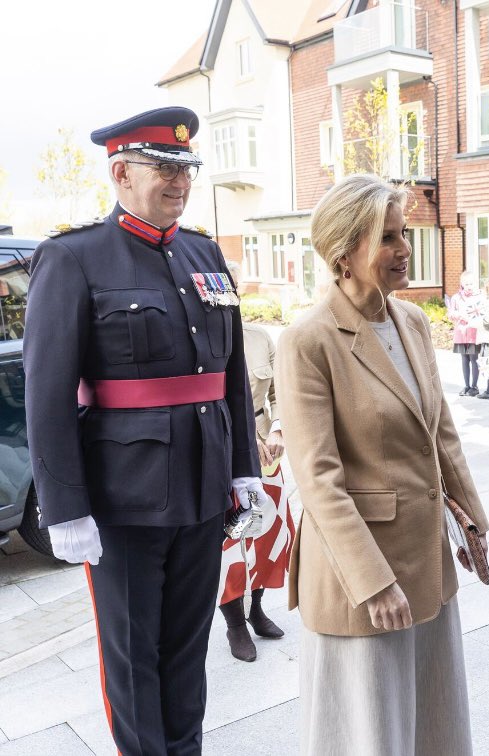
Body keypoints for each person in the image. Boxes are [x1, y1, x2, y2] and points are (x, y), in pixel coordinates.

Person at [24, 107, 263, 755]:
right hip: (123, 501)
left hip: (203, 490)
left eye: (186, 169)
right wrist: (66, 508)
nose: (179, 181)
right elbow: (46, 397)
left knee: (188, 648)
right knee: (133, 657)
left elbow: (229, 373)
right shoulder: (73, 257)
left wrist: (245, 467)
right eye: (163, 168)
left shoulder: (203, 251)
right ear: (121, 173)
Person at [275, 174, 489, 756]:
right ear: (344, 254)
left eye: (405, 234)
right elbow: (318, 479)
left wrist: (472, 521)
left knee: (431, 721)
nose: (405, 250)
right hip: (360, 576)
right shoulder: (307, 341)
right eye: (389, 239)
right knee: (370, 732)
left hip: (426, 559)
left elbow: (440, 433)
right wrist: (373, 583)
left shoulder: (413, 322)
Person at [217, 261, 295, 662]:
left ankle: (257, 609)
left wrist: (278, 430)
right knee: (230, 543)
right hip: (225, 459)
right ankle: (234, 626)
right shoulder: (203, 341)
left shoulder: (260, 338)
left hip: (267, 456)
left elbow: (281, 392)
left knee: (268, 536)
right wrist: (250, 441)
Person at [448, 270, 485, 396]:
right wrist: (458, 315)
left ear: (476, 283)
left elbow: (483, 313)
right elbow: (451, 313)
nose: (469, 286)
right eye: (466, 284)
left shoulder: (480, 297)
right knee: (464, 359)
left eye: (471, 284)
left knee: (474, 359)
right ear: (462, 284)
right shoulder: (456, 298)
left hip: (474, 333)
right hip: (461, 333)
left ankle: (475, 386)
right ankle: (467, 385)